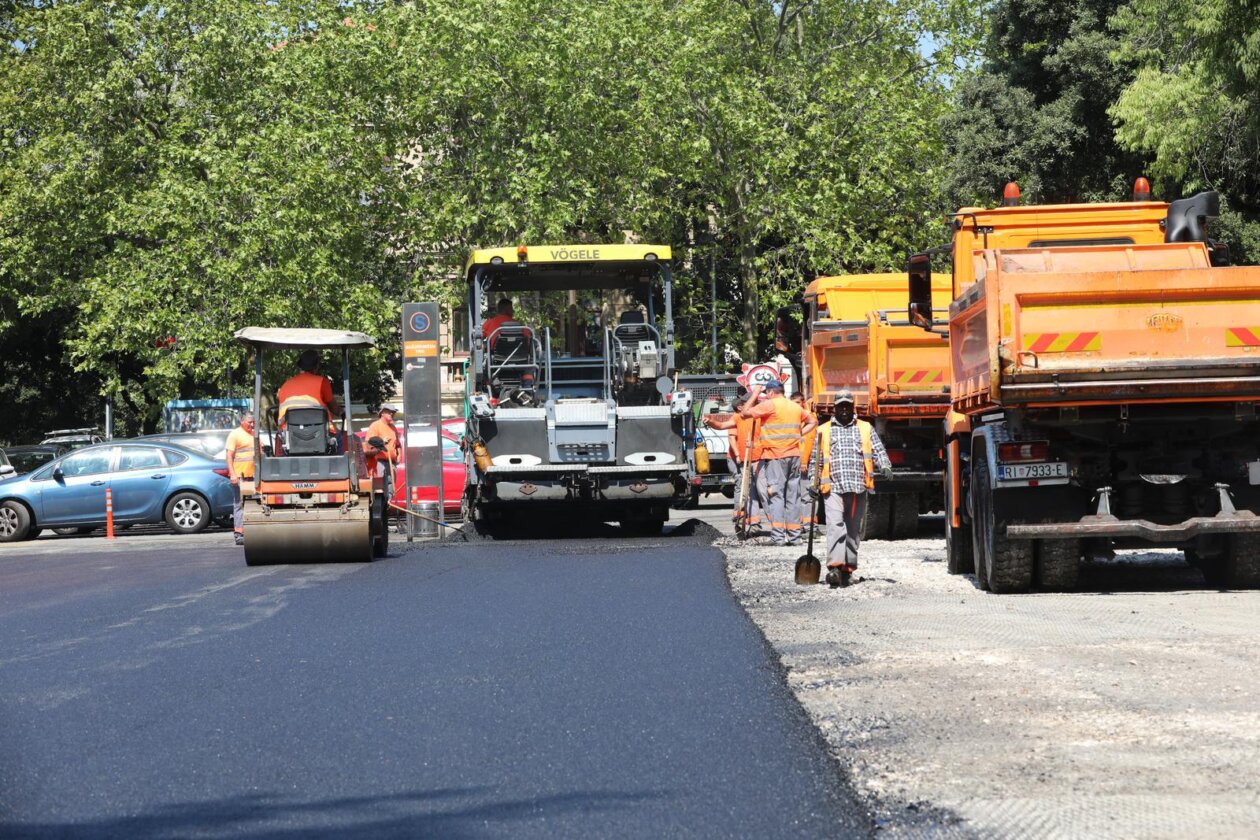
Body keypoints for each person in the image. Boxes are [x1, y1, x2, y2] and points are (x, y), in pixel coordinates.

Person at [808, 390, 892, 587]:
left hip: (857, 487)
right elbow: (815, 461)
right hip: (832, 487)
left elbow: (878, 450)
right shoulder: (823, 430)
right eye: (841, 406)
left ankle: (848, 569)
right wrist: (813, 483)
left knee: (852, 529)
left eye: (847, 406)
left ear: (853, 408)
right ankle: (835, 568)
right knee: (835, 525)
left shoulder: (865, 428)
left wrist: (885, 464)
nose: (844, 410)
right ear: (834, 408)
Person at [739, 379, 816, 546]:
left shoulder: (770, 405)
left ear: (771, 392)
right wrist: (798, 434)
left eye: (766, 393)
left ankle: (778, 537)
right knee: (793, 496)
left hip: (775, 455)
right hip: (794, 455)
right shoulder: (795, 406)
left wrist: (755, 393)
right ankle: (795, 537)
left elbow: (744, 413)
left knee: (776, 495)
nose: (766, 396)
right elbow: (813, 422)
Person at [224, 412, 256, 546]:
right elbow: (229, 456)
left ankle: (253, 532)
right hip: (240, 477)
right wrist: (232, 474)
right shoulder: (235, 434)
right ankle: (239, 533)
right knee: (239, 504)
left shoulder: (254, 434)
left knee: (254, 504)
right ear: (242, 421)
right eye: (249, 422)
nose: (252, 425)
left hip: (254, 476)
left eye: (253, 422)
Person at [277, 349, 333, 424]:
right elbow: (334, 408)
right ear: (317, 366)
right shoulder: (322, 382)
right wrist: (341, 412)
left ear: (300, 366)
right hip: (318, 429)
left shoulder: (286, 384)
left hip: (288, 429)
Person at [793, 391, 819, 531]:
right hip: (794, 461)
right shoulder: (794, 418)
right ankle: (801, 524)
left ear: (803, 403)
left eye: (798, 403)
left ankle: (809, 525)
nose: (796, 406)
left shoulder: (809, 419)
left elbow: (809, 442)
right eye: (794, 403)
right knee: (796, 495)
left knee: (807, 494)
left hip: (805, 463)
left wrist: (804, 462)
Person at [364, 405, 401, 498]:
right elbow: (368, 443)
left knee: (390, 487)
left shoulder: (393, 427)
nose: (392, 414)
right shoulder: (375, 426)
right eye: (389, 412)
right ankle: (382, 505)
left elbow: (397, 444)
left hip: (391, 462)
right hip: (379, 462)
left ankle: (389, 503)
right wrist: (381, 442)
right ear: (382, 413)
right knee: (380, 489)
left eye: (393, 412)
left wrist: (399, 455)